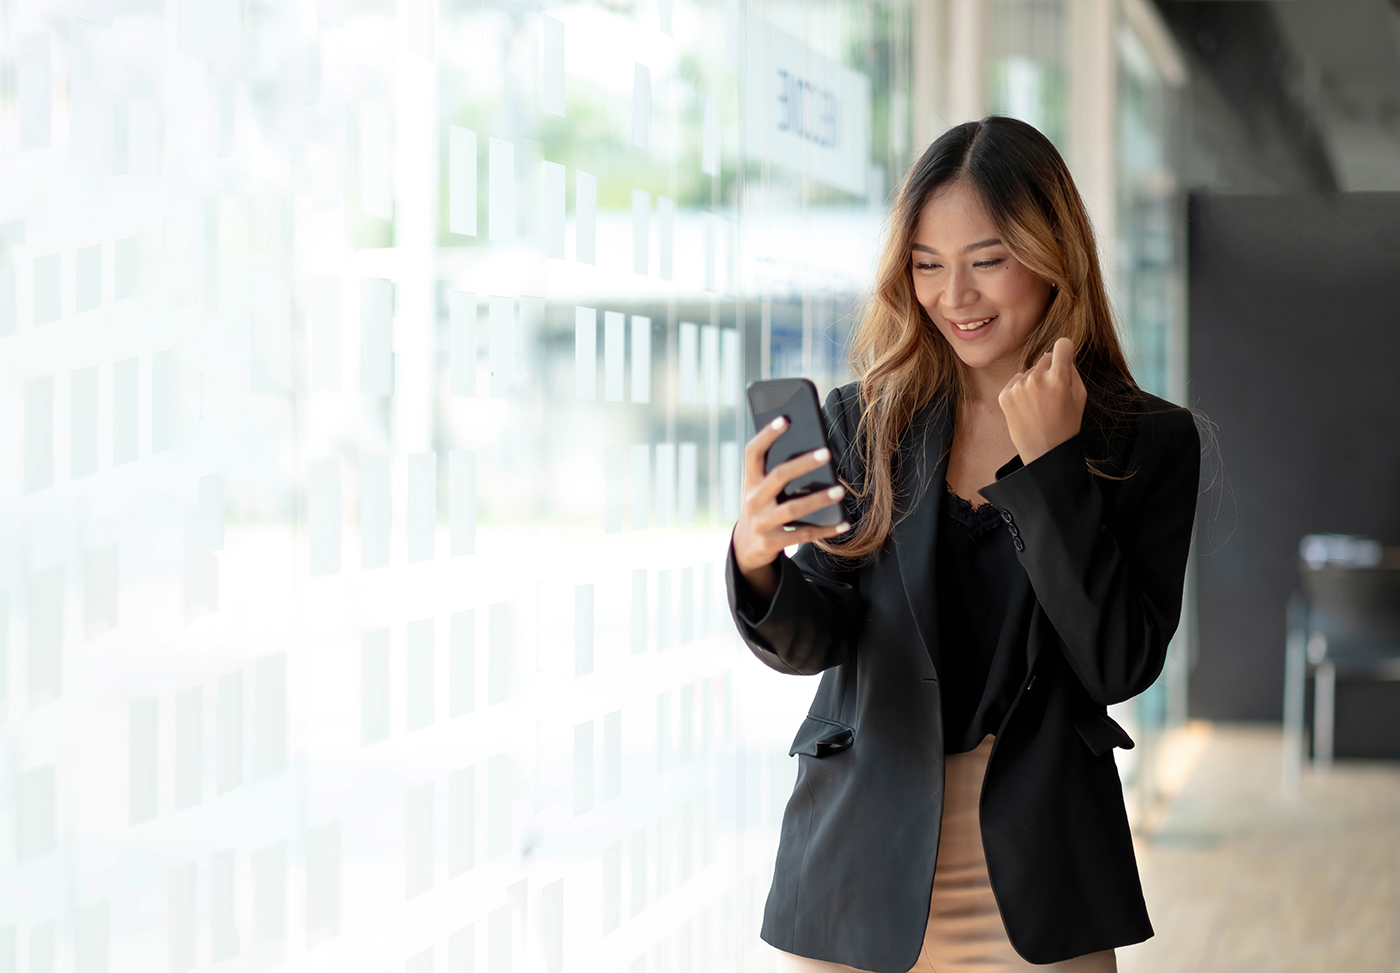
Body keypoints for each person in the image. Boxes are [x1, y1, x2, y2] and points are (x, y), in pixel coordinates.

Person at [725, 116, 1202, 973]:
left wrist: (1054, 468)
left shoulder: (1147, 440)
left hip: (1041, 875)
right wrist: (758, 564)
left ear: (1054, 253)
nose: (956, 296)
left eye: (987, 260)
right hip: (860, 867)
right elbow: (823, 633)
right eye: (928, 264)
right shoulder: (864, 421)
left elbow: (1119, 663)